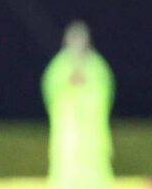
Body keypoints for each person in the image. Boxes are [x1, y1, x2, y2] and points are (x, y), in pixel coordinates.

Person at [42, 21, 115, 189]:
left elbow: (105, 91)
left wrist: (86, 88)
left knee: (95, 167)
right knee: (66, 166)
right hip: (67, 131)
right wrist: (69, 84)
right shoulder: (59, 66)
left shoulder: (97, 65)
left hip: (92, 131)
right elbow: (52, 90)